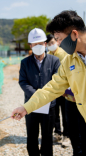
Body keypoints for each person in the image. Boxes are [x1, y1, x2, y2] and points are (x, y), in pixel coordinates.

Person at [12, 10, 86, 156]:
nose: (57, 44)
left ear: (74, 34)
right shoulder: (68, 61)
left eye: (59, 39)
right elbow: (51, 89)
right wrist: (26, 107)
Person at [19, 28, 60, 156]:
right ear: (30, 45)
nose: (38, 46)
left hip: (50, 106)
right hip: (31, 105)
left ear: (45, 43)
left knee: (47, 137)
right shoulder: (25, 62)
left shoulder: (54, 61)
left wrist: (45, 97)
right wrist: (37, 95)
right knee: (31, 137)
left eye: (41, 43)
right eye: (35, 44)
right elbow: (23, 82)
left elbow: (57, 81)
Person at [46, 34, 68, 145]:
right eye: (49, 44)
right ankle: (57, 132)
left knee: (65, 112)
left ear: (57, 42)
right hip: (54, 88)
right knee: (54, 111)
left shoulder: (63, 54)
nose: (51, 45)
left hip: (64, 89)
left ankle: (67, 135)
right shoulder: (48, 55)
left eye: (52, 43)